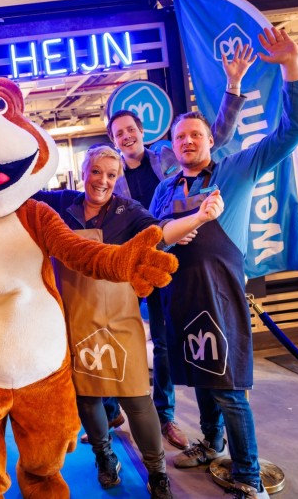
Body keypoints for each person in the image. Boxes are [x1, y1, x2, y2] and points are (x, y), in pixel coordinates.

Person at [149, 27, 298, 499]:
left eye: (196, 135)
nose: (187, 142)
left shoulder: (238, 167)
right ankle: (211, 442)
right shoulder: (164, 189)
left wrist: (290, 65)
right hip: (179, 297)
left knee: (228, 387)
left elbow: (292, 130)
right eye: (180, 138)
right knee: (200, 377)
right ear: (173, 147)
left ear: (210, 141)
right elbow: (155, 242)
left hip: (220, 295)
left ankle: (248, 474)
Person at [34, 146, 224, 498]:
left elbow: (160, 233)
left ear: (117, 177)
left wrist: (198, 218)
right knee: (88, 397)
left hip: (121, 318)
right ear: (84, 171)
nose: (102, 181)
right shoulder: (60, 204)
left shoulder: (129, 211)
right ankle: (104, 456)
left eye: (110, 174)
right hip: (74, 319)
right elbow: (17, 195)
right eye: (96, 172)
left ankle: (157, 471)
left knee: (137, 398)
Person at [103, 44, 256, 450]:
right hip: (149, 266)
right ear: (114, 140)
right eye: (118, 134)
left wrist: (233, 86)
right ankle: (163, 417)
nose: (126, 136)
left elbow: (215, 134)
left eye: (131, 130)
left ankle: (174, 421)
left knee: (183, 353)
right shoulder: (112, 179)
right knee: (160, 343)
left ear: (142, 132)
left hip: (192, 269)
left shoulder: (170, 155)